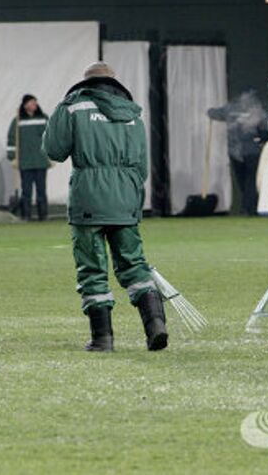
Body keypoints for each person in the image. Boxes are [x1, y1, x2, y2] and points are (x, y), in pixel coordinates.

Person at [42, 61, 167, 352]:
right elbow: (142, 166)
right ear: (114, 84)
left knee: (92, 269)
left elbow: (53, 150)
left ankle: (103, 339)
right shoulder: (134, 114)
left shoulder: (74, 106)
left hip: (89, 199)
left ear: (87, 82)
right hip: (125, 199)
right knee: (134, 265)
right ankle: (156, 326)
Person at [207, 90, 268, 215]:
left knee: (244, 182)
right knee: (250, 182)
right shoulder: (257, 110)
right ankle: (249, 209)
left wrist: (210, 112)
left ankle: (248, 208)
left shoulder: (231, 109)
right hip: (251, 152)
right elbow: (266, 129)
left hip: (237, 153)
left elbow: (213, 113)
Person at [7, 94, 50, 220]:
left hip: (41, 160)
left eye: (35, 102)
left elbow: (51, 137)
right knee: (26, 191)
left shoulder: (44, 118)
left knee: (41, 190)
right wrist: (12, 157)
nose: (35, 104)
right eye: (32, 102)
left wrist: (53, 155)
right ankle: (26, 215)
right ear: (25, 105)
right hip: (25, 162)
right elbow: (12, 140)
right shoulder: (17, 121)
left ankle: (43, 215)